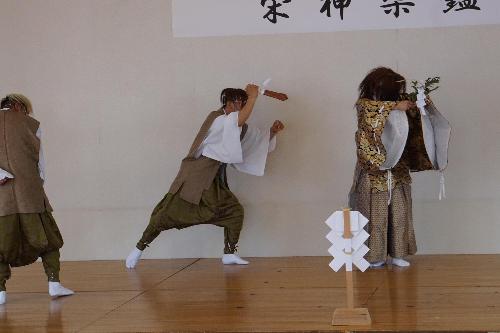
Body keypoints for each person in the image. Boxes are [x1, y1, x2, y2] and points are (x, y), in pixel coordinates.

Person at [126, 84, 284, 268]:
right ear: (228, 102)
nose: (240, 105)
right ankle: (138, 249)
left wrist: (272, 132)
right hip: (197, 177)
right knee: (165, 215)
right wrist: (254, 98)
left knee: (234, 212)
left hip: (215, 180)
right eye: (237, 101)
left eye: (243, 101)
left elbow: (254, 139)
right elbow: (235, 122)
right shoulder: (217, 119)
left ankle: (229, 253)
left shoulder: (237, 125)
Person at [0, 94, 74, 305]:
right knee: (49, 240)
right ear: (18, 106)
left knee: (0, 246)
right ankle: (54, 284)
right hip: (30, 195)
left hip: (2, 202)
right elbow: (41, 167)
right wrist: (35, 186)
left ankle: (0, 292)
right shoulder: (32, 124)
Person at [348, 67, 417, 268]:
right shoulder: (366, 105)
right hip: (374, 169)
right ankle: (374, 255)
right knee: (375, 213)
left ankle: (398, 252)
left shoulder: (397, 104)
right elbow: (371, 112)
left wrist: (419, 103)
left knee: (399, 211)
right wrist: (396, 106)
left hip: (397, 168)